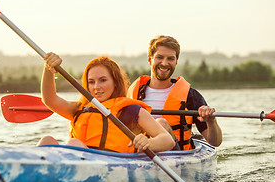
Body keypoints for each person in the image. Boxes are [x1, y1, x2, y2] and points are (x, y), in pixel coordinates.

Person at [37, 53, 175, 153]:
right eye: (91, 82)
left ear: (115, 82)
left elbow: (167, 140)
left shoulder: (131, 110)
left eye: (103, 80)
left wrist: (148, 142)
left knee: (74, 143)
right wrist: (49, 69)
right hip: (78, 161)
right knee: (47, 140)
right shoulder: (79, 108)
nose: (96, 87)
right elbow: (50, 99)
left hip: (112, 166)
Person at [127, 35, 222, 150]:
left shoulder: (190, 96)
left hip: (175, 155)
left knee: (161, 123)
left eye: (170, 59)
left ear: (176, 62)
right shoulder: (133, 93)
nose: (164, 63)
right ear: (150, 60)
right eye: (159, 57)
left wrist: (211, 121)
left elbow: (215, 142)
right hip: (137, 154)